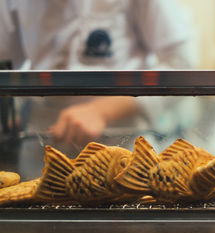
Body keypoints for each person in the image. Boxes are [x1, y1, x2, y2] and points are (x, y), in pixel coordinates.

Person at [0, 0, 193, 178]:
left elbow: (183, 68)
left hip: (124, 156)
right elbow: (4, 62)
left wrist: (100, 111)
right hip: (42, 153)